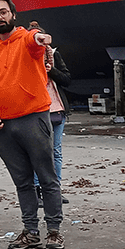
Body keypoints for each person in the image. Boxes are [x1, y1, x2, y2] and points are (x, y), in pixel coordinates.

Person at [0, 0, 65, 249]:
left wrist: (39, 37)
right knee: (22, 182)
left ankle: (54, 231)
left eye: (3, 12)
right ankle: (30, 231)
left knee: (47, 178)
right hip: (5, 125)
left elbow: (34, 40)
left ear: (13, 15)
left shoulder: (26, 40)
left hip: (34, 118)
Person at [28, 22, 73, 206]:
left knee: (56, 152)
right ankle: (38, 191)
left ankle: (54, 190)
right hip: (36, 110)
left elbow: (67, 79)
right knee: (39, 153)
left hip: (56, 109)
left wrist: (51, 70)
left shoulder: (53, 55)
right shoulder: (26, 57)